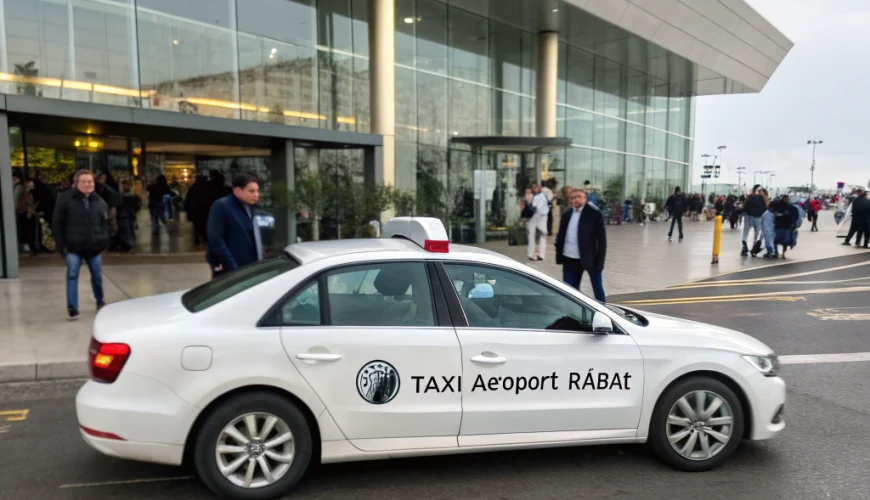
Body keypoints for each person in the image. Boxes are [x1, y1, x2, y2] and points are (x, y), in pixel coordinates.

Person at [52, 170, 110, 318]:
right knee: (72, 274)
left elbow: (104, 223)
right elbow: (57, 224)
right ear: (76, 183)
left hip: (94, 247)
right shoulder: (65, 199)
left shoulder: (98, 201)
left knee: (97, 276)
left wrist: (103, 240)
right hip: (72, 246)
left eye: (90, 182)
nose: (88, 184)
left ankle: (100, 301)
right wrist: (61, 246)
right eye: (84, 181)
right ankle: (72, 306)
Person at [206, 173, 264, 277]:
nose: (256, 195)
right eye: (251, 191)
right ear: (237, 191)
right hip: (231, 271)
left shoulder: (252, 208)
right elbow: (215, 238)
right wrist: (231, 266)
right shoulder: (221, 206)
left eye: (257, 191)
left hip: (251, 268)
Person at [555, 189, 607, 302]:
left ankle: (605, 310)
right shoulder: (566, 216)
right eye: (573, 198)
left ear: (585, 198)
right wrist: (559, 254)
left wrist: (600, 261)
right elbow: (561, 236)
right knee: (569, 290)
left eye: (579, 197)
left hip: (590, 258)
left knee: (597, 288)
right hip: (569, 258)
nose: (576, 199)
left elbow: (602, 240)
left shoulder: (594, 215)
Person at [526, 183, 550, 261]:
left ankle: (540, 255)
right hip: (536, 216)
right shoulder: (534, 196)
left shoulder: (542, 195)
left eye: (536, 187)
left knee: (541, 236)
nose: (534, 189)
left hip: (541, 216)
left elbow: (534, 207)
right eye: (533, 188)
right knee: (532, 235)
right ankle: (531, 254)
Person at [741, 185, 767, 256]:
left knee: (745, 232)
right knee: (757, 234)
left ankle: (744, 247)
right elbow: (764, 209)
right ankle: (754, 250)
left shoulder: (749, 197)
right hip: (758, 218)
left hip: (748, 217)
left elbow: (745, 207)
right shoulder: (761, 198)